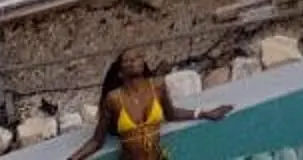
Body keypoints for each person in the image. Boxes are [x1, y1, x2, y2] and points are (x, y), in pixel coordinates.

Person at [67, 55, 230, 160]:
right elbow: (97, 141)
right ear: (120, 72)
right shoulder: (113, 99)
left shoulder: (157, 86)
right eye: (127, 60)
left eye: (137, 57)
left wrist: (204, 113)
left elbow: (171, 114)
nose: (133, 61)